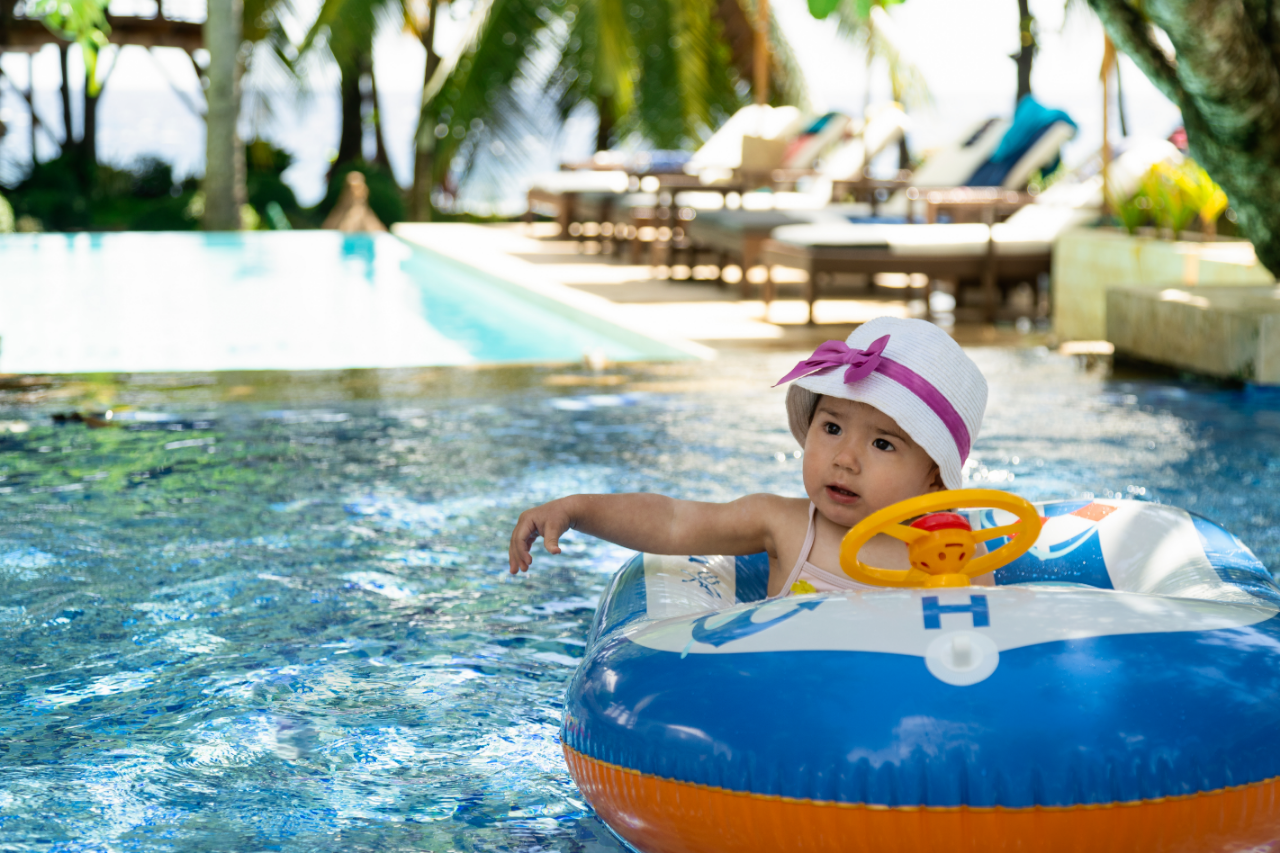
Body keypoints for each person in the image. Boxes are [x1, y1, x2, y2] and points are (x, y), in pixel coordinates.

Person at [507, 316, 989, 597]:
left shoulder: (955, 552)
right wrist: (577, 510)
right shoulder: (784, 524)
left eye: (882, 443)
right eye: (832, 427)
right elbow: (675, 522)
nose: (845, 459)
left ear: (932, 479)